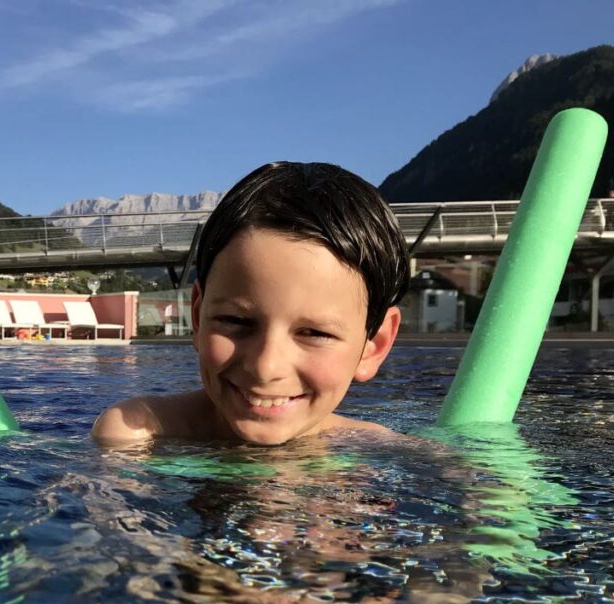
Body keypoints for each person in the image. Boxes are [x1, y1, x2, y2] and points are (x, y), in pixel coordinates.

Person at [92, 161, 409, 445]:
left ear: (375, 345)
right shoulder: (138, 433)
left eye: (314, 333)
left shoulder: (377, 449)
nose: (265, 367)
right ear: (199, 317)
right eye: (236, 322)